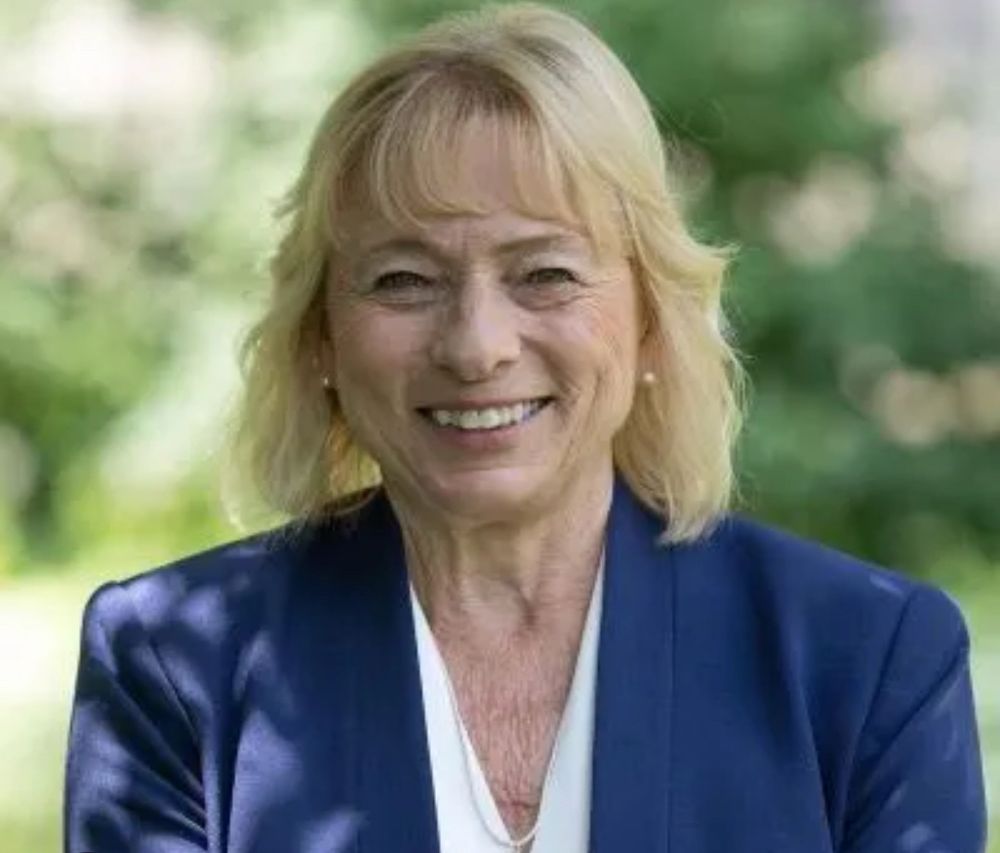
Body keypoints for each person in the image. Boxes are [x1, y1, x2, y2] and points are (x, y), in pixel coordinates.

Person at [63, 4, 987, 852]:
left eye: (544, 273)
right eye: (404, 280)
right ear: (322, 340)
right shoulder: (175, 666)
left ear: (651, 320)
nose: (476, 346)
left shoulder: (870, 662)